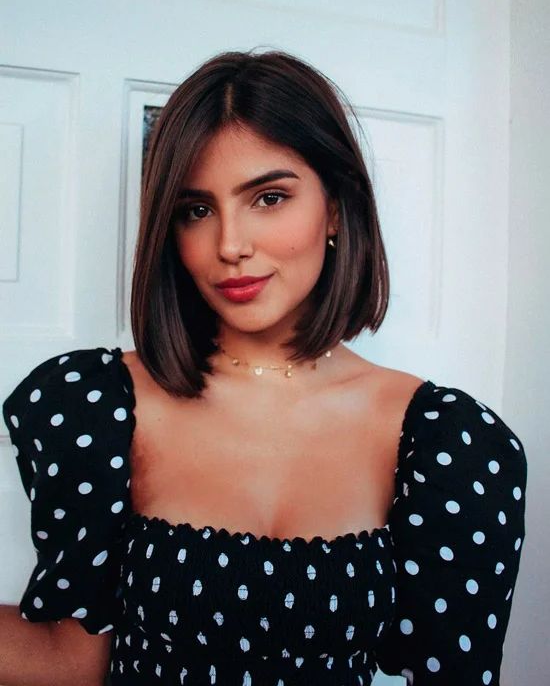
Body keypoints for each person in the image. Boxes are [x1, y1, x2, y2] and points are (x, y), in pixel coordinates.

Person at [0, 48, 527, 686]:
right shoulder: (97, 407)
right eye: (195, 210)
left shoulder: (449, 442)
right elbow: (70, 661)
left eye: (269, 197)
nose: (229, 244)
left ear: (335, 207)